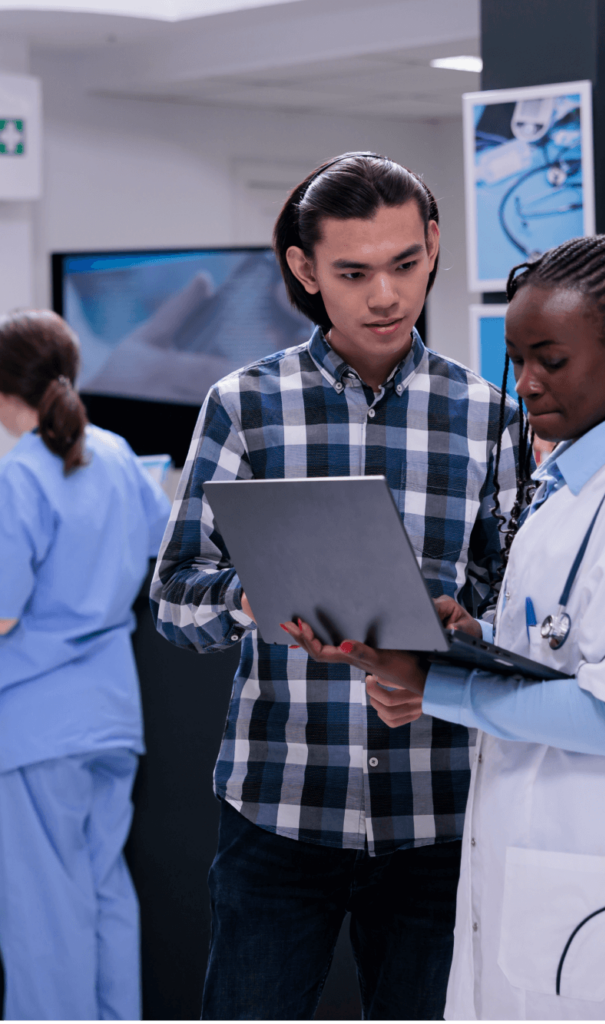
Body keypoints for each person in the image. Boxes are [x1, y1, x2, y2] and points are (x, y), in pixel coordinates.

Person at [283, 217, 605, 1022]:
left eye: (552, 360)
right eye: (518, 361)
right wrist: (474, 643)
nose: (530, 384)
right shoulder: (564, 488)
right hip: (545, 874)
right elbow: (559, 650)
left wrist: (434, 683)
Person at [150, 152, 520, 1022]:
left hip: (439, 812)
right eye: (353, 273)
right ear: (306, 270)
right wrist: (253, 598)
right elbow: (172, 598)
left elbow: (521, 613)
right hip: (279, 808)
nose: (385, 295)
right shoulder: (243, 405)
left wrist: (464, 636)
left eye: (403, 264)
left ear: (434, 247)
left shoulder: (489, 416)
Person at [0, 310, 171, 1022]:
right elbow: (167, 549)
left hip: (36, 728)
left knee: (45, 915)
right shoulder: (120, 454)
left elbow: (3, 613)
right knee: (104, 895)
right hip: (111, 718)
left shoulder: (18, 475)